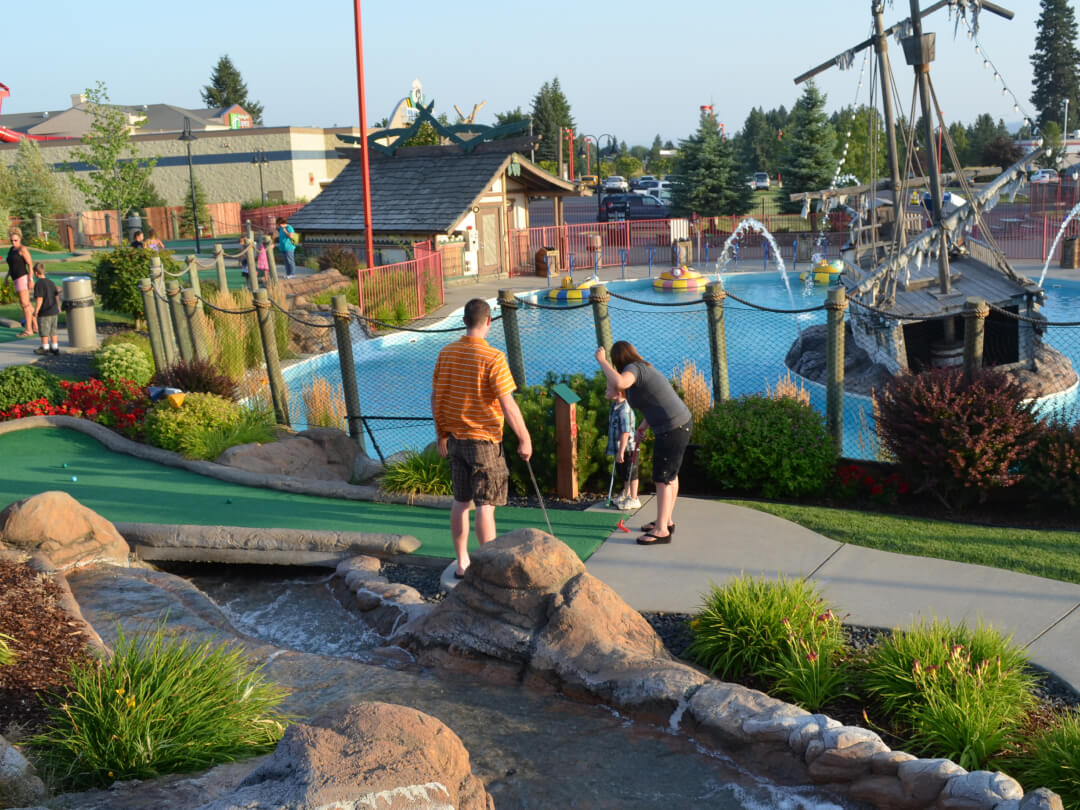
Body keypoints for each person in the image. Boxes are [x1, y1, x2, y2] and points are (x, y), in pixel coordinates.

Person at [431, 298, 532, 578]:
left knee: (461, 502)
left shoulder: (446, 353)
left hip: (456, 441)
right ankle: (488, 570)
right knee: (485, 507)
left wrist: (441, 434)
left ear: (464, 321)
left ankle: (462, 562)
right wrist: (524, 438)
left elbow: (436, 397)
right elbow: (507, 404)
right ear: (489, 322)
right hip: (485, 442)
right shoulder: (494, 358)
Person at [595, 341, 691, 545]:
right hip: (677, 424)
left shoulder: (634, 368)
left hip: (673, 426)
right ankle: (666, 520)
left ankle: (662, 530)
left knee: (663, 477)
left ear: (617, 359)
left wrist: (602, 361)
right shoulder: (641, 371)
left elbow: (619, 383)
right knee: (670, 475)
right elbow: (654, 402)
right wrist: (642, 427)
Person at [606, 382, 640, 510]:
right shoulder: (615, 406)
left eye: (608, 389)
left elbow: (625, 433)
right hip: (621, 447)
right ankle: (627, 494)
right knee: (625, 473)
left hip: (629, 448)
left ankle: (634, 498)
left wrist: (621, 451)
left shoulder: (624, 410)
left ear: (618, 393)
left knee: (632, 473)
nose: (606, 391)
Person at [4, 228, 35, 337]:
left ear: (20, 239)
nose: (14, 242)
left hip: (23, 278)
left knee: (25, 304)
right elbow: (11, 266)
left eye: (16, 240)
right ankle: (35, 326)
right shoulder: (11, 250)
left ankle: (28, 329)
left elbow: (30, 264)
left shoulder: (23, 249)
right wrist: (6, 277)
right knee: (27, 304)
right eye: (12, 240)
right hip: (15, 278)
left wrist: (31, 279)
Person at [31, 263, 60, 355]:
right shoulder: (50, 282)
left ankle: (45, 348)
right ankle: (55, 348)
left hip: (45, 311)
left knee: (44, 330)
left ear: (36, 273)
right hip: (54, 310)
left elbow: (39, 299)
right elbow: (56, 296)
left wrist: (36, 311)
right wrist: (58, 307)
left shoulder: (38, 284)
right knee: (53, 330)